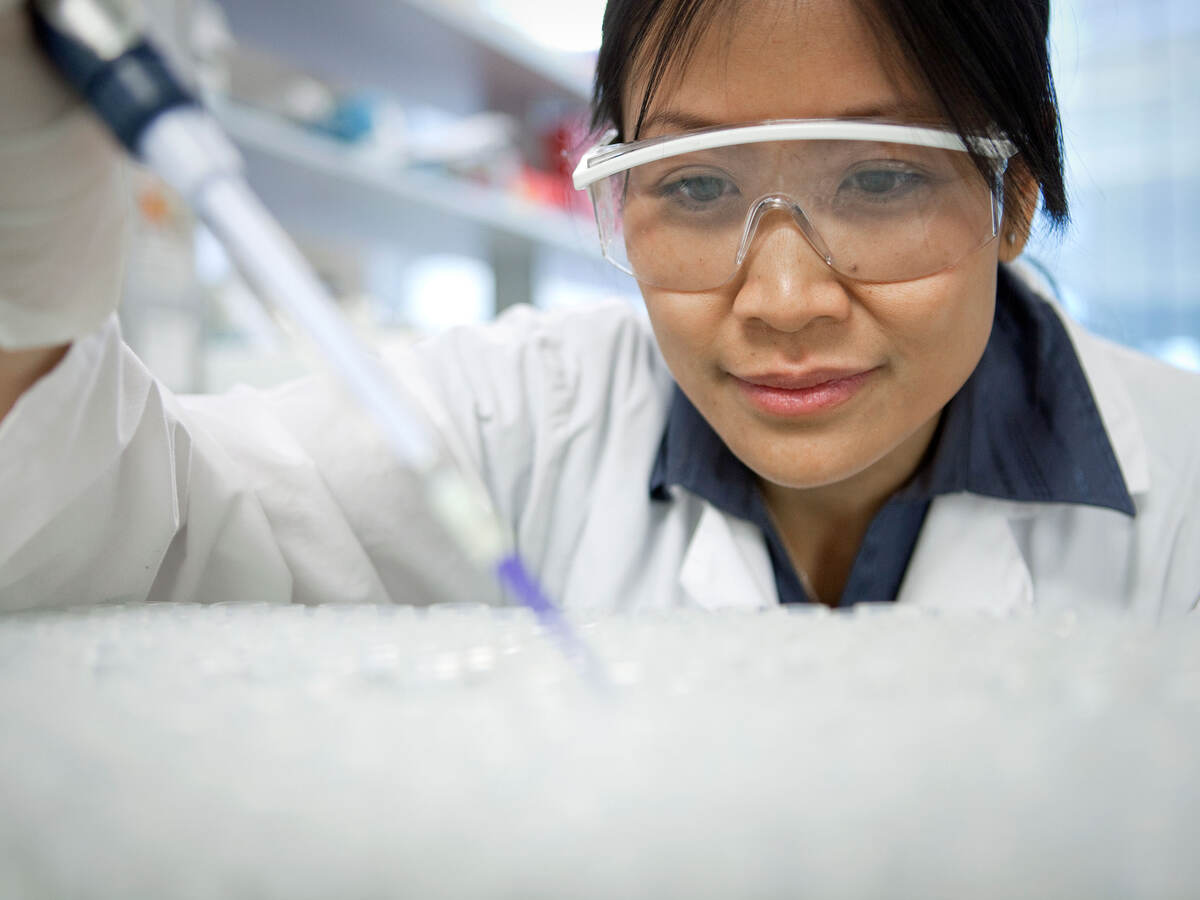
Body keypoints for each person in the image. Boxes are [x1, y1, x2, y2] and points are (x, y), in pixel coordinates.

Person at [0, 0, 1197, 615]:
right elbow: (125, 532)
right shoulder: (517, 422)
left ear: (1013, 200)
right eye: (694, 183)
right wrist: (27, 271)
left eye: (879, 180)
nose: (782, 301)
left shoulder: (1182, 501)